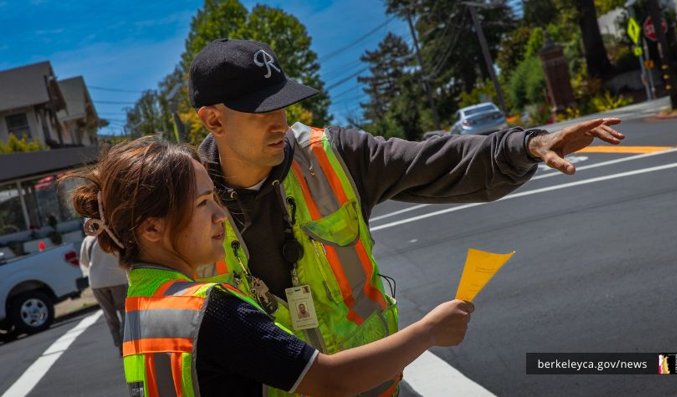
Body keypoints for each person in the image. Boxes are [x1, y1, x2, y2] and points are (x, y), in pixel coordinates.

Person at [190, 39, 625, 395]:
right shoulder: (183, 201)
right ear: (213, 120)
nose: (280, 123)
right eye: (261, 111)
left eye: (283, 106)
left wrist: (526, 144)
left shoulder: (333, 156)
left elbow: (436, 160)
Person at [69, 137, 474, 396]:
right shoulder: (209, 309)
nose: (220, 216)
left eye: (216, 199)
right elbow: (332, 381)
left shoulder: (140, 305)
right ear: (152, 228)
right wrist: (430, 331)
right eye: (201, 204)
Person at [79, 233, 128, 357]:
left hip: (97, 282)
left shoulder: (88, 240)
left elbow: (84, 261)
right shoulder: (114, 234)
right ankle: (126, 341)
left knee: (109, 314)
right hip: (118, 279)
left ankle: (118, 343)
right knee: (124, 310)